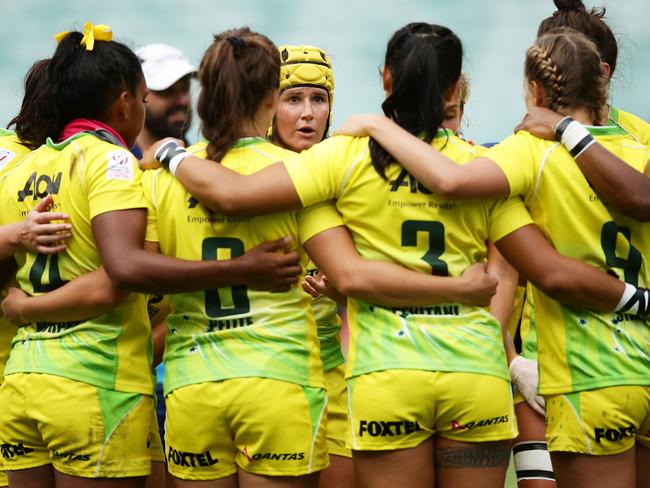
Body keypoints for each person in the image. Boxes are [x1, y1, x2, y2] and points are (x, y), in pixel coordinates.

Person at [141, 22, 644, 488]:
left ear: (385, 79)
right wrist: (634, 298)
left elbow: (239, 199)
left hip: (384, 380)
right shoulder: (485, 165)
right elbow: (549, 270)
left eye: (318, 98)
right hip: (474, 377)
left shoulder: (339, 157)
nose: (308, 113)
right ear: (453, 92)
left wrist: (169, 153)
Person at [331, 28, 650, 488]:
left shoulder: (530, 151)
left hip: (596, 377)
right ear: (602, 82)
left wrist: (379, 125)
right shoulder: (638, 152)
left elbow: (453, 181)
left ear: (536, 91)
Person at [0, 22, 305, 488]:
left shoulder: (25, 166)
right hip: (95, 379)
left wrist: (22, 305)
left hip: (22, 379)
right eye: (144, 99)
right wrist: (240, 268)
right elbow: (122, 270)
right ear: (124, 102)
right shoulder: (114, 161)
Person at [270, 44, 354, 488]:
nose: (307, 114)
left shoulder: (347, 176)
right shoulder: (246, 180)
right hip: (270, 369)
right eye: (293, 99)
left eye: (318, 100)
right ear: (270, 106)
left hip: (334, 370)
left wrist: (341, 291)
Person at [132, 43, 196, 158]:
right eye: (167, 91)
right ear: (135, 96)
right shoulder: (112, 166)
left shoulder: (206, 159)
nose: (183, 101)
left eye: (185, 88)